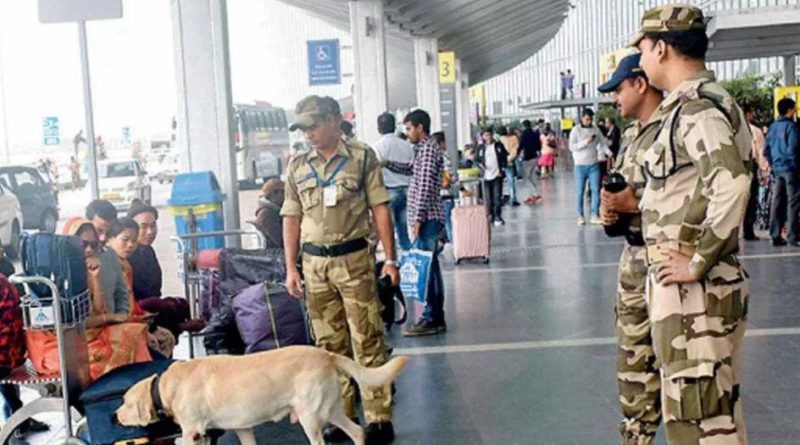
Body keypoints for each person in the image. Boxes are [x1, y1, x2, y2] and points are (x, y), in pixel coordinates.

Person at [632, 5, 752, 443]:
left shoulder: (697, 109)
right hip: (689, 294)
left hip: (694, 295)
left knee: (700, 422)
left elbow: (732, 184)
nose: (641, 59)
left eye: (643, 49)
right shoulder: (694, 105)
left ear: (662, 48)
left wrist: (697, 261)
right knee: (712, 416)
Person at [281, 95, 399, 442]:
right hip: (315, 266)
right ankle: (342, 417)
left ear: (335, 120)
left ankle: (378, 416)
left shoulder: (362, 157)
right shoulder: (298, 165)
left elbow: (380, 208)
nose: (308, 134)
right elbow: (291, 216)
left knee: (367, 338)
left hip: (355, 261)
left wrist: (390, 259)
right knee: (329, 348)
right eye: (303, 128)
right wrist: (291, 267)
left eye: (314, 125)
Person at [598, 52, 665, 445]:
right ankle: (636, 435)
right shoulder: (631, 134)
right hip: (634, 258)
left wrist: (635, 204)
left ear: (640, 84)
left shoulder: (673, 129)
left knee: (674, 362)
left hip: (666, 260)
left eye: (619, 89)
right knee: (632, 356)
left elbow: (693, 198)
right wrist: (613, 212)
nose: (614, 98)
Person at [26, 218, 152, 381]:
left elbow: (99, 309)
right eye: (83, 244)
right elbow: (71, 322)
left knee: (135, 333)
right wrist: (112, 318)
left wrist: (95, 278)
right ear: (69, 244)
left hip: (91, 332)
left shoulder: (91, 265)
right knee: (122, 343)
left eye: (93, 244)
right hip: (61, 341)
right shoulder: (58, 271)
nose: (88, 249)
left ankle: (143, 387)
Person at [384, 110, 447, 337]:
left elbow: (425, 187)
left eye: (409, 128)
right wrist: (387, 163)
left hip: (427, 218)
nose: (407, 132)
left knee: (427, 270)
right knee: (431, 269)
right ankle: (435, 316)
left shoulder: (428, 150)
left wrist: (418, 218)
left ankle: (431, 318)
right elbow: (411, 170)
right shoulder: (422, 150)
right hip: (426, 217)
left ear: (420, 128)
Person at [127, 201, 202, 339]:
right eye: (143, 227)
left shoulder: (148, 252)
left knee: (180, 305)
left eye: (153, 225)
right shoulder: (126, 256)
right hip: (136, 315)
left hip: (152, 310)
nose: (150, 232)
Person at [107, 218, 176, 358]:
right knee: (152, 342)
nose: (130, 245)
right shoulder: (106, 266)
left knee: (167, 337)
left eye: (134, 241)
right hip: (111, 323)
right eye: (125, 240)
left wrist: (141, 315)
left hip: (130, 317)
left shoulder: (126, 264)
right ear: (110, 238)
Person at [0, 271, 50, 438]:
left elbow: (6, 330)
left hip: (5, 353)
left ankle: (17, 416)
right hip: (8, 351)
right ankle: (17, 416)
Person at [373, 112, 414, 252]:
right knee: (404, 231)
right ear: (394, 126)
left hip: (388, 192)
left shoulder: (377, 146)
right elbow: (411, 167)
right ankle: (408, 261)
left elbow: (375, 170)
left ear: (378, 127)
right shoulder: (406, 145)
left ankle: (392, 262)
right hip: (407, 190)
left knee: (388, 232)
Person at [764, 97, 799, 246]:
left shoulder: (772, 127)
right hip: (790, 168)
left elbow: (766, 150)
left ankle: (775, 235)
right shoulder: (791, 127)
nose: (796, 111)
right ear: (789, 111)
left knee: (776, 201)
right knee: (793, 202)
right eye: (795, 108)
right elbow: (793, 149)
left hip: (777, 169)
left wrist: (773, 164)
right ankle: (792, 236)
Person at [569, 108, 606, 225]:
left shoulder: (596, 129)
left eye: (591, 119)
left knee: (595, 189)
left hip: (593, 164)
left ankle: (594, 214)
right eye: (587, 119)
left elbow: (603, 143)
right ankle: (580, 215)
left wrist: (611, 154)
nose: (589, 121)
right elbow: (572, 147)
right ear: (582, 118)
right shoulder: (576, 130)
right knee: (579, 191)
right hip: (580, 166)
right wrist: (586, 142)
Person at [475, 127, 509, 226]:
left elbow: (504, 157)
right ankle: (490, 216)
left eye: (489, 135)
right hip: (485, 176)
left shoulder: (498, 146)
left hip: (497, 175)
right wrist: (480, 165)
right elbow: (476, 160)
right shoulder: (480, 148)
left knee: (497, 197)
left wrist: (502, 169)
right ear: (483, 137)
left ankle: (497, 216)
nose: (488, 137)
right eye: (486, 135)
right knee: (488, 198)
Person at [742, 104, 764, 241]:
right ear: (748, 114)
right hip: (751, 165)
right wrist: (763, 170)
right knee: (751, 201)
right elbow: (761, 152)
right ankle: (748, 231)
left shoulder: (731, 129)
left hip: (736, 166)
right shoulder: (755, 130)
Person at [433, 132, 455, 243]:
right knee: (449, 223)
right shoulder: (444, 157)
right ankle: (454, 245)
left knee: (443, 223)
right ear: (440, 143)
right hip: (445, 194)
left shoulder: (432, 156)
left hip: (437, 196)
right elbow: (450, 177)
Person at [254, 179, 286, 248]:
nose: (286, 196)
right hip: (274, 252)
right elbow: (281, 241)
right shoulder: (267, 214)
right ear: (273, 193)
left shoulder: (270, 211)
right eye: (283, 192)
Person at [519, 119, 543, 205]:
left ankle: (535, 194)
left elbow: (521, 145)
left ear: (524, 126)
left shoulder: (524, 135)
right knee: (532, 177)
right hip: (535, 157)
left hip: (527, 158)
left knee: (526, 178)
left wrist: (518, 154)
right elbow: (539, 146)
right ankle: (531, 196)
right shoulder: (535, 134)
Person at [499, 126, 521, 206]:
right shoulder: (514, 138)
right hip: (509, 162)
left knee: (499, 182)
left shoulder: (498, 140)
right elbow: (515, 150)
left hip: (499, 163)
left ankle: (499, 198)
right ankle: (513, 198)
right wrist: (509, 159)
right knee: (511, 180)